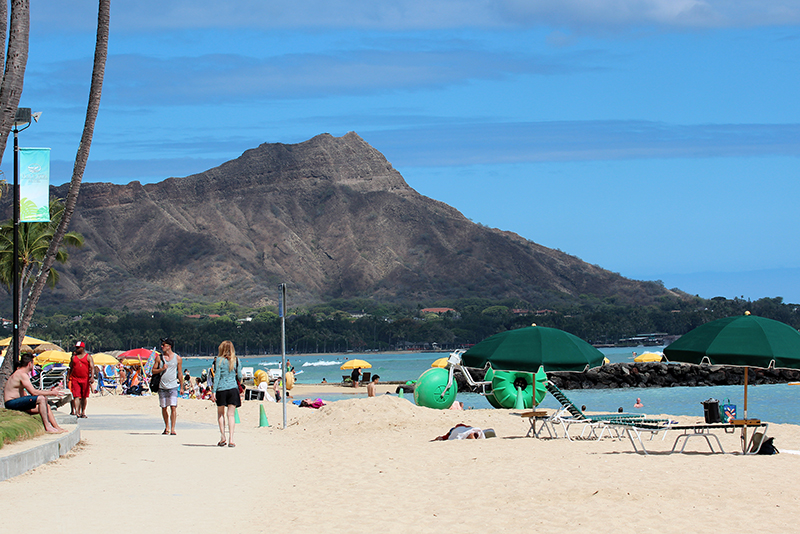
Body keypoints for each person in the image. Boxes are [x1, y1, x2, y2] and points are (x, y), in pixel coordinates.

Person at [3, 353, 67, 433]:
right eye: (33, 364)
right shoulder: (21, 374)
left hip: (16, 401)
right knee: (41, 399)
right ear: (29, 364)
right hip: (11, 403)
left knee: (46, 406)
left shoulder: (21, 373)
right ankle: (48, 427)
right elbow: (33, 392)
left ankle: (57, 427)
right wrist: (51, 392)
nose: (33, 366)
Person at [211, 340, 242, 448]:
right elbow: (240, 376)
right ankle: (231, 439)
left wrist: (213, 391)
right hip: (233, 388)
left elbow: (217, 376)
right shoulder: (236, 360)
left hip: (221, 389)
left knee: (220, 413)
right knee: (231, 415)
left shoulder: (218, 360)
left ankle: (223, 436)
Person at [151, 337, 183, 435]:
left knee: (173, 407)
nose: (161, 347)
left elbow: (180, 373)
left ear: (169, 346)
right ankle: (167, 427)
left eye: (163, 345)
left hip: (173, 386)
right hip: (162, 386)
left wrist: (182, 387)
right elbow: (153, 371)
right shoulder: (159, 358)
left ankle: (173, 428)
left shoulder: (177, 358)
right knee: (164, 407)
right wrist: (161, 369)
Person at [66, 341, 95, 418]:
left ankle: (83, 412)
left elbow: (92, 367)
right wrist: (68, 377)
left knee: (84, 397)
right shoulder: (73, 357)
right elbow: (71, 368)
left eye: (78, 348)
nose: (77, 349)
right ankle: (76, 412)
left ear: (83, 348)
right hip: (75, 379)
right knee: (76, 396)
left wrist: (92, 377)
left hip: (85, 379)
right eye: (76, 348)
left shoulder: (88, 357)